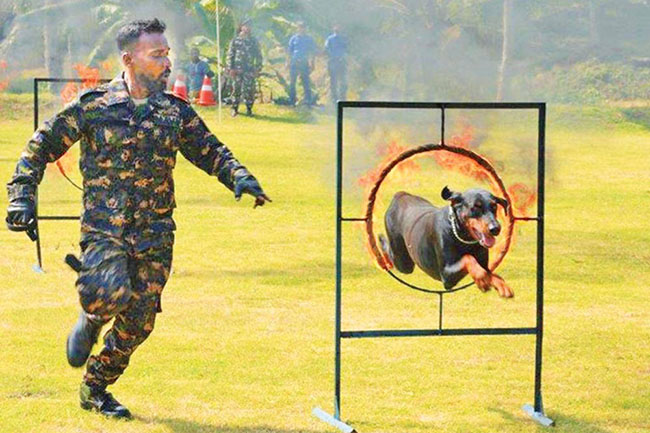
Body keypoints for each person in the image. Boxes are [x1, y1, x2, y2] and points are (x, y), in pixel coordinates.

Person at [5, 18, 271, 419]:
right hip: (105, 229)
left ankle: (95, 388)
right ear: (129, 59)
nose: (167, 61)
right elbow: (40, 146)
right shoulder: (93, 107)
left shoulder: (174, 112)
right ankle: (93, 314)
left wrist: (239, 176)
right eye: (157, 54)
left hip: (155, 233)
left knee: (141, 322)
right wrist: (22, 196)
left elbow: (210, 150)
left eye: (167, 53)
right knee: (107, 290)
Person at [227, 22, 263, 117]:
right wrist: (231, 68)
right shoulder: (235, 40)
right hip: (237, 69)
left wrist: (258, 68)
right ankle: (234, 109)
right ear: (241, 27)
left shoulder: (253, 41)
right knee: (236, 89)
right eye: (245, 26)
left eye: (249, 26)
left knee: (249, 90)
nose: (247, 28)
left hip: (249, 70)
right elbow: (231, 54)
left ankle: (249, 109)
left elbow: (258, 55)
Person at [287, 21, 316, 106]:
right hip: (294, 62)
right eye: (299, 27)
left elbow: (312, 52)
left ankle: (307, 100)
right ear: (297, 28)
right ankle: (292, 100)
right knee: (292, 82)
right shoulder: (293, 38)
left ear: (305, 28)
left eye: (303, 27)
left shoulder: (309, 39)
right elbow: (289, 51)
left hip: (304, 62)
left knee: (306, 82)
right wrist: (287, 62)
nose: (301, 29)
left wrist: (312, 63)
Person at [324, 26, 347, 104]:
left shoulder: (331, 39)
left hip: (337, 61)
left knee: (337, 81)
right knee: (337, 81)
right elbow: (327, 48)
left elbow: (345, 49)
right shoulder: (331, 39)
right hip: (335, 61)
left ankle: (338, 98)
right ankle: (338, 98)